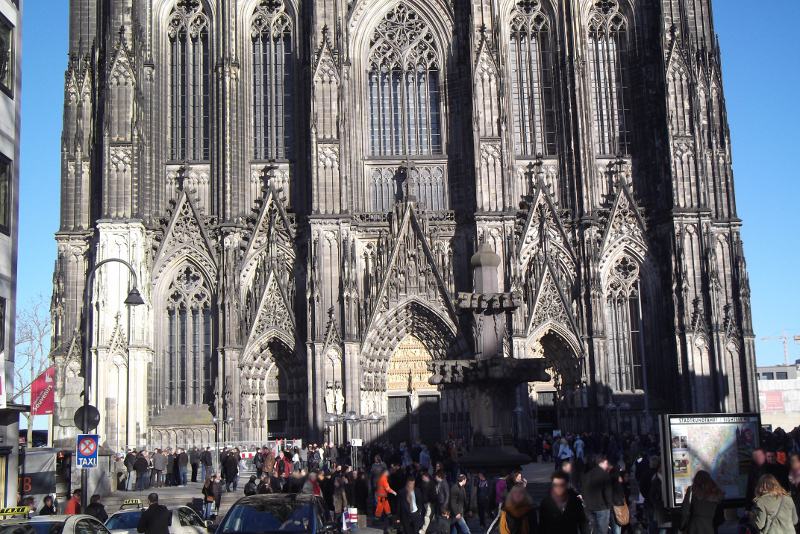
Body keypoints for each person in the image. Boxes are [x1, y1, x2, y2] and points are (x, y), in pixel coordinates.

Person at [582, 455, 613, 534]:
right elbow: (607, 492)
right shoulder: (604, 475)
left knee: (594, 529)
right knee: (602, 531)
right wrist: (609, 505)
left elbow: (583, 490)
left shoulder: (587, 475)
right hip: (602, 507)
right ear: (603, 462)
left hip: (590, 506)